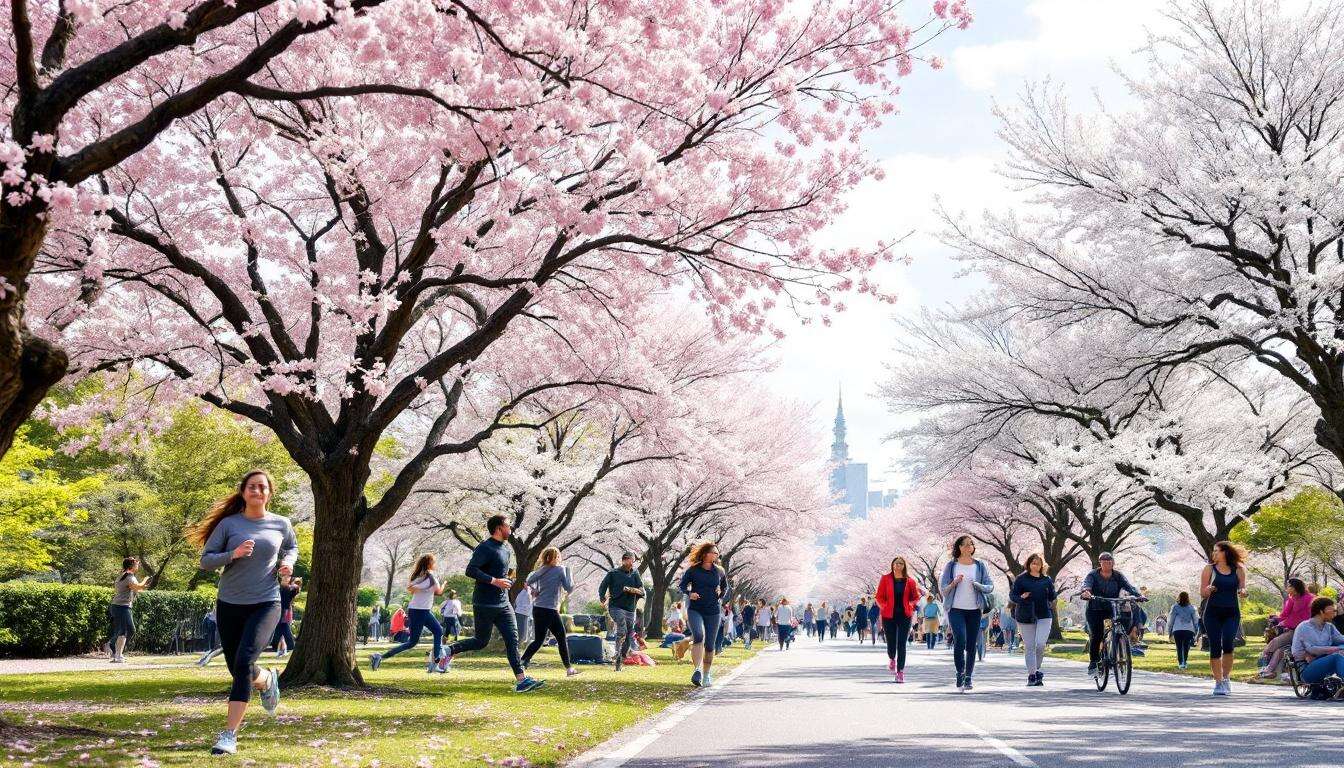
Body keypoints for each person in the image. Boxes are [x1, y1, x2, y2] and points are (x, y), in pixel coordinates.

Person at [195, 469, 298, 756]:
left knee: (242, 664)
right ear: (243, 492)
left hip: (266, 602)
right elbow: (205, 561)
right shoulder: (229, 524)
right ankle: (266, 679)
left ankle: (229, 735)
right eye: (252, 487)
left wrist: (287, 564)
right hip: (229, 603)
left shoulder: (281, 523)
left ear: (269, 492)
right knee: (238, 668)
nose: (257, 491)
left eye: (263, 487)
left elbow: (291, 547)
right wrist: (233, 554)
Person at [440, 515, 543, 692]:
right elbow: (470, 570)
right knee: (481, 641)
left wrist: (507, 580)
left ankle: (521, 680)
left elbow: (502, 572)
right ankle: (449, 650)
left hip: (503, 604)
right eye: (507, 525)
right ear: (498, 528)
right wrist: (494, 581)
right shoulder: (485, 547)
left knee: (513, 640)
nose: (510, 528)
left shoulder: (506, 549)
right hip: (484, 603)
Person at [370, 554, 445, 673]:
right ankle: (379, 657)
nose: (435, 564)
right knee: (413, 642)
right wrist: (439, 586)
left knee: (438, 631)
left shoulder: (421, 576)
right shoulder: (428, 577)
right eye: (433, 562)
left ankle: (435, 662)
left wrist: (422, 588)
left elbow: (418, 589)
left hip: (421, 610)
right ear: (429, 563)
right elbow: (433, 590)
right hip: (419, 611)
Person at [939, 534, 995, 692]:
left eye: (970, 544)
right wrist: (954, 582)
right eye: (964, 544)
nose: (968, 547)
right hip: (955, 608)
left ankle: (968, 676)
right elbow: (944, 590)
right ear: (958, 547)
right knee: (960, 640)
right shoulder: (951, 566)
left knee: (971, 644)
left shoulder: (979, 565)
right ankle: (959, 673)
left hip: (974, 609)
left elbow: (990, 586)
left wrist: (978, 585)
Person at [1079, 551, 1143, 679]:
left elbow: (1129, 586)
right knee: (1097, 634)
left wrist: (1138, 595)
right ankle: (1093, 663)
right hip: (1095, 608)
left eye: (1110, 561)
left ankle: (1118, 646)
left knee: (1120, 624)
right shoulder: (1093, 575)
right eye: (1104, 561)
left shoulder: (1118, 575)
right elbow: (1086, 585)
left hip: (1112, 606)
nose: (1107, 564)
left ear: (1113, 563)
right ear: (1100, 563)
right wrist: (1086, 592)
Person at [521, 546, 580, 677]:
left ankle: (523, 661)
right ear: (556, 557)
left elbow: (528, 581)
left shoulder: (541, 570)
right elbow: (568, 587)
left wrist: (534, 591)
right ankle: (569, 668)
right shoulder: (560, 570)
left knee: (538, 640)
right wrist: (569, 572)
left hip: (538, 608)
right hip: (550, 609)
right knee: (561, 638)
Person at [1199, 540, 1248, 696]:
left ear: (1225, 552)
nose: (1214, 553)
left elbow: (1243, 587)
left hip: (1232, 612)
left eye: (1217, 551)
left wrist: (1243, 592)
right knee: (1215, 646)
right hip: (1212, 613)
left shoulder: (1238, 569)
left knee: (1228, 643)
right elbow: (1202, 592)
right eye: (1213, 551)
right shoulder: (1209, 569)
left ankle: (1226, 678)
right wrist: (1209, 589)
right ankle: (1218, 682)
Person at [678, 541, 728, 687]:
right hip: (695, 609)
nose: (717, 555)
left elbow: (725, 587)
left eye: (717, 553)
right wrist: (689, 593)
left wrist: (720, 596)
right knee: (699, 635)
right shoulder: (693, 570)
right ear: (706, 554)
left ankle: (706, 675)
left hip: (713, 611)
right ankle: (697, 670)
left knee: (710, 646)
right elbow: (681, 585)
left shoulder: (719, 571)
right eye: (714, 552)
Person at [1010, 553, 1056, 686]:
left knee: (1040, 644)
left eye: (1038, 563)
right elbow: (1013, 595)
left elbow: (1052, 596)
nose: (1035, 565)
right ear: (1029, 564)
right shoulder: (1021, 579)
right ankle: (1032, 675)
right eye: (1033, 562)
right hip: (1025, 615)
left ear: (1042, 565)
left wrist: (1052, 597)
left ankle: (1036, 669)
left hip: (1044, 615)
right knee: (1030, 646)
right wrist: (1021, 597)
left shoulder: (1046, 580)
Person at [875, 556, 922, 683]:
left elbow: (916, 597)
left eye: (901, 563)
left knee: (902, 644)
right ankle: (891, 658)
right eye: (896, 563)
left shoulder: (910, 581)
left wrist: (911, 605)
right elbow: (878, 596)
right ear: (892, 565)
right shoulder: (885, 579)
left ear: (904, 566)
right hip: (888, 615)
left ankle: (900, 672)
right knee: (891, 642)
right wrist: (884, 606)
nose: (898, 565)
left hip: (905, 616)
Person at [598, 551, 645, 672]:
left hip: (630, 609)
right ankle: (618, 654)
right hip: (615, 607)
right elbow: (603, 586)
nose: (631, 562)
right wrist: (602, 598)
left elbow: (642, 591)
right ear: (624, 560)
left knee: (629, 634)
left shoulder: (635, 573)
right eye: (629, 560)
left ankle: (621, 655)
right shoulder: (613, 573)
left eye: (633, 560)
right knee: (622, 628)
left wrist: (631, 590)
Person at [1259, 578, 1313, 679]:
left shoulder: (1310, 598)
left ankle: (1264, 666)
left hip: (1304, 631)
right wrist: (1276, 619)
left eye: (1289, 586)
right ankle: (1268, 670)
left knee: (1274, 642)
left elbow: (1303, 617)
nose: (1287, 588)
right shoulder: (1292, 599)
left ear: (1295, 587)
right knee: (1280, 650)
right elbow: (1285, 615)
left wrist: (1282, 623)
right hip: (1293, 630)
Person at [1291, 597, 1344, 699]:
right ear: (1321, 611)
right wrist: (1336, 650)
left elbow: (1340, 639)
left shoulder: (1329, 627)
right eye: (1331, 609)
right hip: (1307, 669)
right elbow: (1312, 649)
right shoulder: (1305, 627)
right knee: (1337, 655)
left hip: (1320, 662)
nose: (1334, 611)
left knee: (1341, 648)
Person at [108, 557, 147, 663]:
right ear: (131, 566)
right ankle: (113, 647)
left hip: (118, 606)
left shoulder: (123, 575)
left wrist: (141, 587)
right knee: (129, 630)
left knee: (124, 630)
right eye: (136, 564)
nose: (138, 565)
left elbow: (136, 589)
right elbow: (138, 587)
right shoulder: (129, 576)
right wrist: (146, 579)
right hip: (122, 607)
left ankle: (118, 655)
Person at [270, 574, 300, 658]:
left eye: (288, 577)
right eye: (284, 576)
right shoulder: (278, 588)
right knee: (278, 627)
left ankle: (289, 645)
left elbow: (296, 589)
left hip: (286, 610)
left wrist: (294, 583)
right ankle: (277, 645)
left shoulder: (291, 588)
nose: (286, 578)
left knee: (284, 627)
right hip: (278, 609)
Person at [1167, 591, 1198, 670]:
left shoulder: (1175, 607)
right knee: (1186, 646)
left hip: (1177, 629)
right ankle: (1185, 661)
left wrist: (1169, 630)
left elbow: (1171, 620)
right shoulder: (1192, 608)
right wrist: (1196, 630)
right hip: (1189, 630)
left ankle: (1181, 662)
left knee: (1179, 646)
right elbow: (1195, 620)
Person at [513, 573, 534, 646]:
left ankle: (516, 648)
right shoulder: (524, 592)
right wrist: (528, 591)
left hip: (526, 614)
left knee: (524, 636)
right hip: (521, 614)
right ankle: (515, 649)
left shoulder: (528, 591)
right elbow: (528, 600)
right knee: (521, 635)